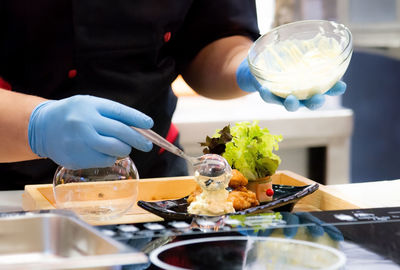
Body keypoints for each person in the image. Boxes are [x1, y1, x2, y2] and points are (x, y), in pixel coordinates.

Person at [0, 1, 345, 190]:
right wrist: (36, 126)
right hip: (11, 185)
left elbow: (211, 35)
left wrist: (248, 66)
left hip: (152, 177)